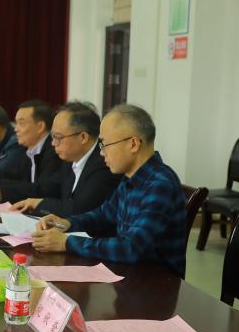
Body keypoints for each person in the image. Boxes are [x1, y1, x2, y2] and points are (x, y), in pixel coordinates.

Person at [32, 104, 188, 277]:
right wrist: (66, 223)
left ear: (133, 144)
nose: (101, 153)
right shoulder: (130, 178)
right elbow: (103, 215)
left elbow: (132, 248)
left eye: (105, 144)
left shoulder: (160, 184)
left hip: (156, 283)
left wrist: (66, 243)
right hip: (128, 274)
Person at [9, 101, 122, 217]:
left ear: (83, 137)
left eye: (58, 137)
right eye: (53, 137)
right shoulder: (70, 159)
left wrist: (40, 204)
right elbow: (49, 188)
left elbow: (80, 209)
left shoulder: (105, 163)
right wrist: (28, 200)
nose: (53, 143)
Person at [0, 99, 61, 203]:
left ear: (40, 127)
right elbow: (15, 176)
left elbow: (42, 190)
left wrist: (0, 191)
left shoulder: (54, 152)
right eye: (16, 123)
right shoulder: (29, 150)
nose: (16, 129)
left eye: (21, 123)